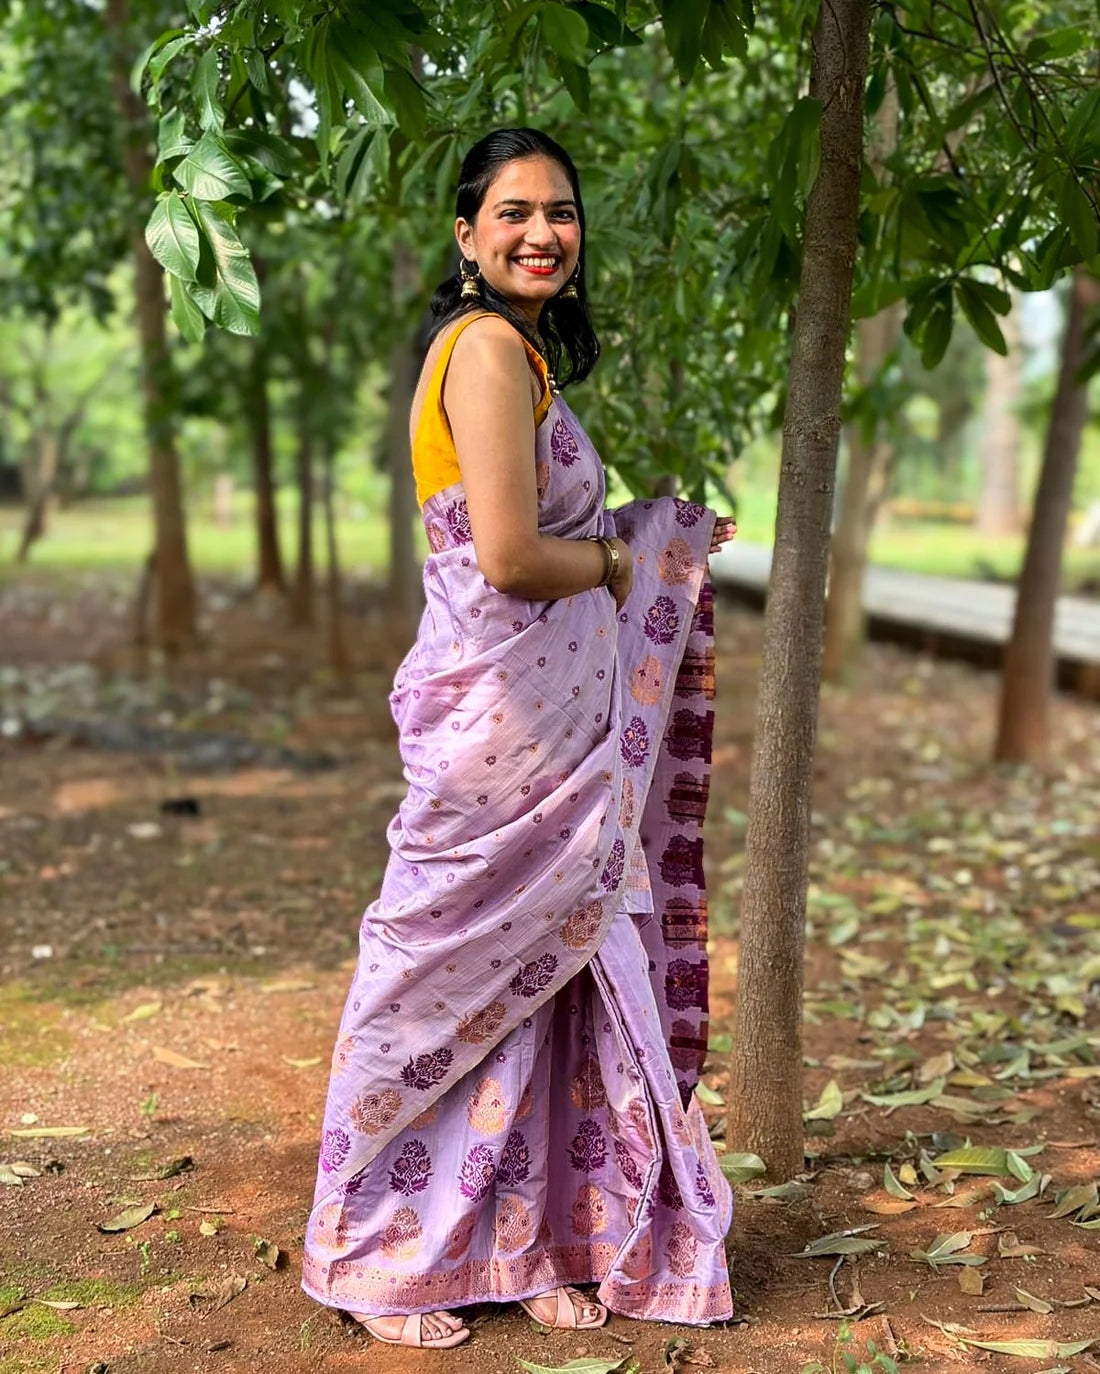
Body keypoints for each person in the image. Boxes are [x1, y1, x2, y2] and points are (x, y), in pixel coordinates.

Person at [301, 127, 738, 1351]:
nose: (541, 231)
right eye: (512, 212)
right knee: (435, 986)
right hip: (496, 732)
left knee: (551, 988)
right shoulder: (486, 350)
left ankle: (532, 1240)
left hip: (551, 731)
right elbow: (505, 557)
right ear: (466, 235)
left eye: (560, 211)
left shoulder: (523, 362)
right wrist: (632, 559)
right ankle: (373, 1247)